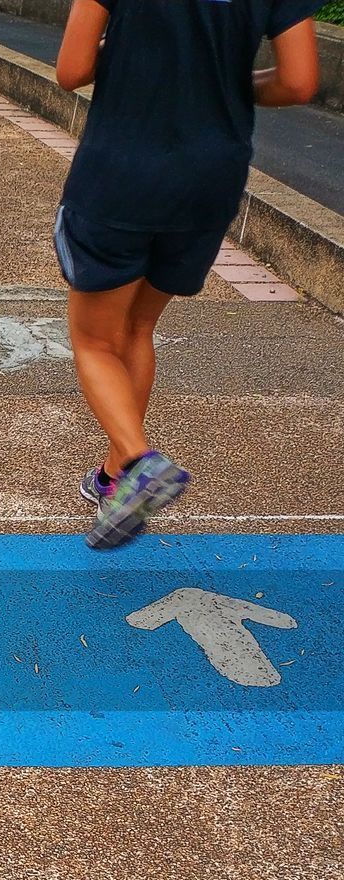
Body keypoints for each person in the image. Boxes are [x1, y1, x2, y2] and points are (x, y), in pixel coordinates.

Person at [53, 0, 320, 549]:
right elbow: (298, 83)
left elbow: (72, 71)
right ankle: (114, 480)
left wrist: (138, 63)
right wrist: (215, 80)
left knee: (95, 340)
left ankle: (139, 459)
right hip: (210, 177)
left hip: (122, 174)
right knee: (138, 328)